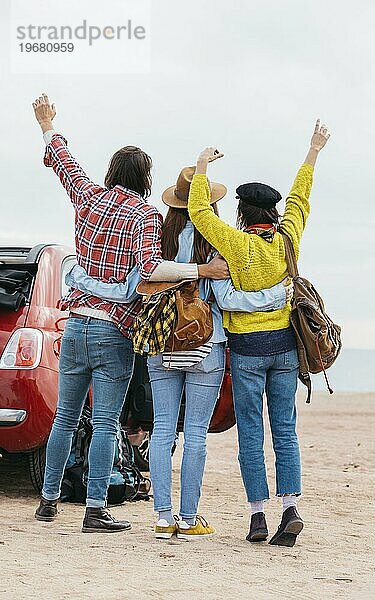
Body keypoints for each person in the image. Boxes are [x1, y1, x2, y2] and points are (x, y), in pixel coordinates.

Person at [31, 93, 229, 534]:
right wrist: (203, 268)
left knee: (65, 416)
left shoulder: (88, 197)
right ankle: (95, 507)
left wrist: (47, 124)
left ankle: (47, 500)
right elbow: (150, 269)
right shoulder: (145, 215)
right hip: (113, 329)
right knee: (104, 422)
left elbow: (64, 162)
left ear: (111, 173)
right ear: (145, 178)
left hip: (76, 324)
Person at [69, 165, 293, 539]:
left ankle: (162, 517)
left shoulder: (160, 239)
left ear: (174, 204)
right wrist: (276, 295)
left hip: (162, 344)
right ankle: (188, 519)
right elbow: (227, 299)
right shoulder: (217, 244)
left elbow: (143, 280)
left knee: (161, 432)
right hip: (206, 346)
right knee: (196, 435)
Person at [188, 120, 331, 545]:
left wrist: (200, 166)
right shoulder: (288, 238)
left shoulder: (235, 243)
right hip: (285, 349)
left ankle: (257, 517)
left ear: (241, 213)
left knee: (251, 430)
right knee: (284, 428)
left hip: (247, 351)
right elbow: (301, 199)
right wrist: (312, 152)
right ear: (273, 212)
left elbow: (197, 212)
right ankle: (290, 507)